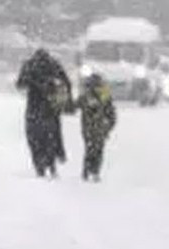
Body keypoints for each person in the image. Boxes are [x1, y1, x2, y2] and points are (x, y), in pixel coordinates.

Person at [16, 48, 73, 178]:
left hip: (34, 107)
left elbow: (20, 84)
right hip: (50, 107)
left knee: (34, 137)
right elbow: (66, 82)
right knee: (52, 135)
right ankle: (52, 160)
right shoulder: (54, 64)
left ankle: (39, 165)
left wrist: (33, 83)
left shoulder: (29, 65)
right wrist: (66, 100)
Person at [77, 73, 117, 182]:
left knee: (91, 149)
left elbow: (76, 105)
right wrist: (108, 125)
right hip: (98, 128)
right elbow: (111, 114)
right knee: (96, 149)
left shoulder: (89, 95)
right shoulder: (101, 95)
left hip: (92, 128)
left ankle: (89, 170)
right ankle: (93, 171)